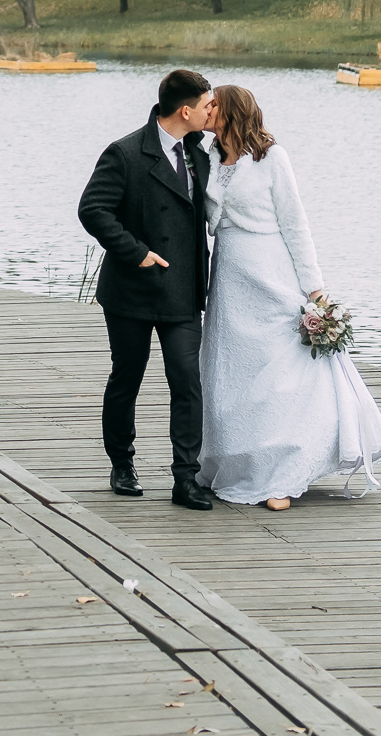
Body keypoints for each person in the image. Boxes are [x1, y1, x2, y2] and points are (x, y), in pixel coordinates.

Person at [197, 83, 381, 510]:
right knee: (231, 372)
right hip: (230, 280)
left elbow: (296, 225)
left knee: (279, 376)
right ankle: (235, 464)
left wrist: (315, 289)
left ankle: (282, 474)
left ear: (232, 111)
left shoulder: (271, 160)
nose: (206, 109)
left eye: (214, 104)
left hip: (272, 273)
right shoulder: (207, 156)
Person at [78, 67, 217, 510]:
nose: (211, 111)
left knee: (186, 382)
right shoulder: (124, 153)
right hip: (132, 290)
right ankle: (122, 464)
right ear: (185, 110)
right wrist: (135, 251)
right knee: (127, 378)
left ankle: (186, 479)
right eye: (207, 104)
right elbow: (93, 209)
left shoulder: (200, 154)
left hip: (182, 292)